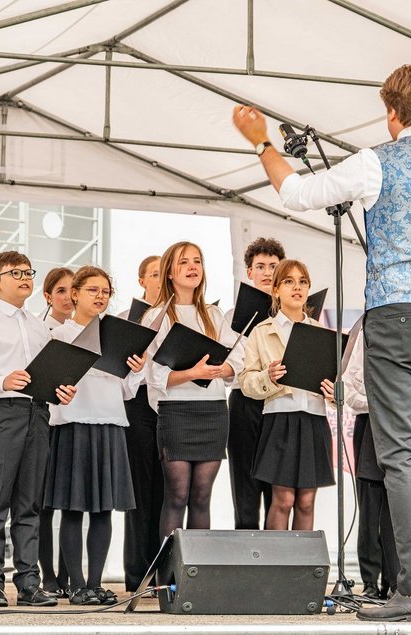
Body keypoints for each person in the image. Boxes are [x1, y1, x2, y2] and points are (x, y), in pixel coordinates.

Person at [232, 63, 411, 622]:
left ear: (392, 113)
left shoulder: (376, 161)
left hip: (396, 314)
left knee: (402, 453)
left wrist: (262, 142)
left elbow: (296, 191)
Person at [0, 251, 76, 607]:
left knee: (30, 504)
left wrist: (61, 390)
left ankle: (28, 583)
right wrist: (2, 381)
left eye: (29, 272)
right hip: (0, 414)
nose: (26, 278)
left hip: (38, 414)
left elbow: (47, 372)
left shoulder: (40, 325)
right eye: (16, 273)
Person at [45, 266, 141, 606]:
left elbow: (127, 392)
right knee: (73, 509)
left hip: (111, 423)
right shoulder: (58, 333)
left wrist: (135, 370)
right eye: (92, 290)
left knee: (103, 510)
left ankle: (95, 583)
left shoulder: (114, 335)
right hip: (73, 424)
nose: (100, 296)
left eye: (105, 291)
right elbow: (50, 386)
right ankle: (76, 586)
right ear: (74, 293)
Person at [143, 241, 243, 541]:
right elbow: (154, 375)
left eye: (197, 261)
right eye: (184, 262)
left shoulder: (215, 314)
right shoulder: (156, 317)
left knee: (201, 497)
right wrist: (192, 373)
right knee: (177, 495)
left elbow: (235, 359)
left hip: (213, 411)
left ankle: (195, 579)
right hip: (176, 412)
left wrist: (220, 370)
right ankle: (167, 582)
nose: (192, 267)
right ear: (169, 273)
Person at [238, 259, 335, 530]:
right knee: (283, 499)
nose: (297, 288)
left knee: (306, 500)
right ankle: (276, 571)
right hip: (280, 419)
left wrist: (334, 393)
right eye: (289, 281)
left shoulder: (321, 332)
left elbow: (338, 383)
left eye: (303, 282)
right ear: (276, 290)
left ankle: (301, 570)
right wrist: (268, 378)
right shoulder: (261, 331)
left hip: (315, 419)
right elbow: (245, 381)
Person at [225, 237, 285, 530]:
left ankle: (276, 567)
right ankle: (245, 565)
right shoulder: (230, 317)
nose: (267, 272)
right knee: (245, 489)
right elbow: (231, 370)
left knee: (278, 491)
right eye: (260, 266)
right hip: (243, 405)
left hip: (279, 403)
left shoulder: (291, 318)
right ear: (248, 272)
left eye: (273, 266)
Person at [120, 255, 165, 593]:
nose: (161, 278)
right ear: (141, 280)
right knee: (139, 493)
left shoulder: (178, 317)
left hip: (169, 404)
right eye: (154, 273)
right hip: (135, 404)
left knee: (168, 493)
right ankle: (137, 576)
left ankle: (166, 573)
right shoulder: (126, 319)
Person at [343, 326, 398, 601]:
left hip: (402, 426)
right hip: (369, 425)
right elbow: (348, 389)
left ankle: (395, 581)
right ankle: (370, 582)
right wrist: (376, 403)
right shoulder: (367, 331)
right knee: (370, 509)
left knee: (397, 508)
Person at [38, 266, 75, 596]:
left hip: (74, 423)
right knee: (43, 504)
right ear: (48, 296)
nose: (68, 297)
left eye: (72, 290)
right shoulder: (40, 330)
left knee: (69, 501)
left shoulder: (87, 332)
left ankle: (67, 572)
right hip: (47, 423)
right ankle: (47, 574)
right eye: (60, 290)